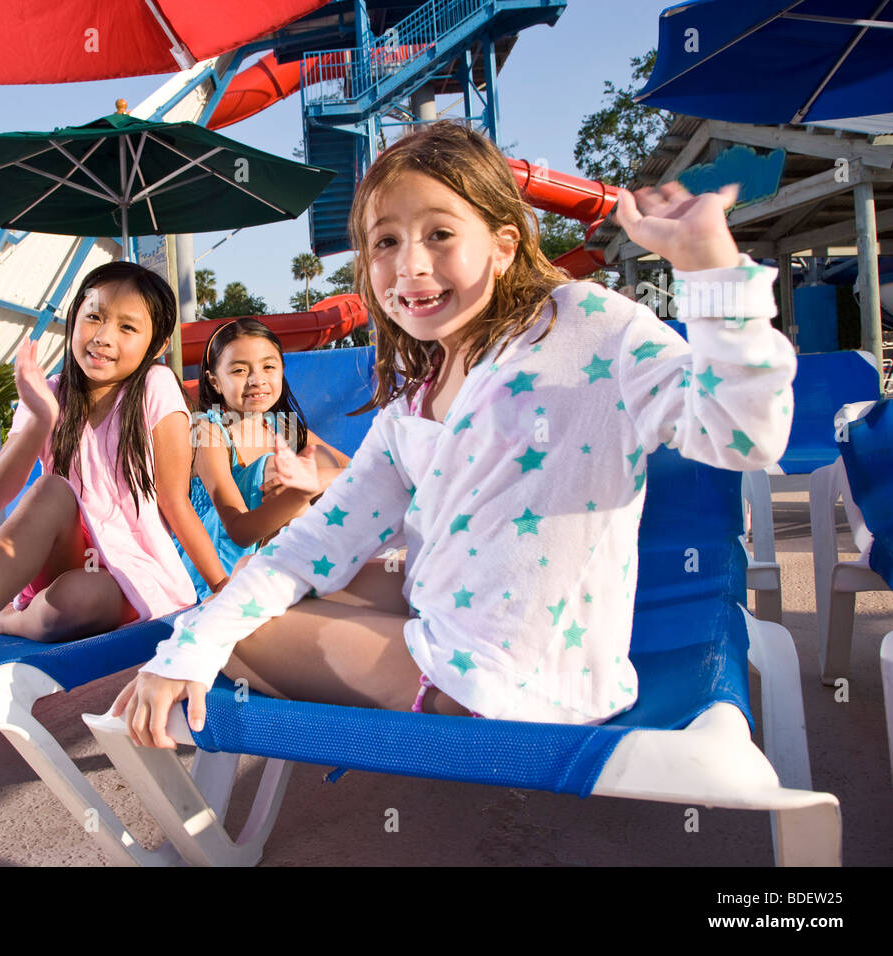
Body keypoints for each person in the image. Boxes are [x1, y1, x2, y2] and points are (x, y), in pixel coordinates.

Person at [114, 121, 796, 747]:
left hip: (496, 691)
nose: (409, 265)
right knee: (295, 581)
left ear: (504, 245)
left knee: (228, 635)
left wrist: (713, 270)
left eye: (439, 234)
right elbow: (314, 544)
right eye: (386, 242)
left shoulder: (584, 322)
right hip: (513, 657)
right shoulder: (413, 406)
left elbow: (742, 435)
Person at [0, 261, 226, 688]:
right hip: (59, 555)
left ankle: (4, 620)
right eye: (94, 316)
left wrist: (223, 589)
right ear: (74, 318)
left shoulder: (155, 386)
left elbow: (176, 502)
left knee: (76, 601)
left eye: (127, 328)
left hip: (128, 574)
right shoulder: (51, 392)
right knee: (51, 488)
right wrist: (42, 418)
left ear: (157, 344)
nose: (103, 337)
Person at [178, 317, 351, 598]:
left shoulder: (282, 426)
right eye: (238, 370)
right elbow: (240, 531)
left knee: (317, 460)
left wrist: (318, 480)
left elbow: (359, 471)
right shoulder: (207, 430)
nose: (257, 380)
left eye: (268, 367)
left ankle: (318, 571)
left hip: (274, 555)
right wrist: (297, 495)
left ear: (281, 371)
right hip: (219, 570)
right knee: (282, 472)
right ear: (215, 381)